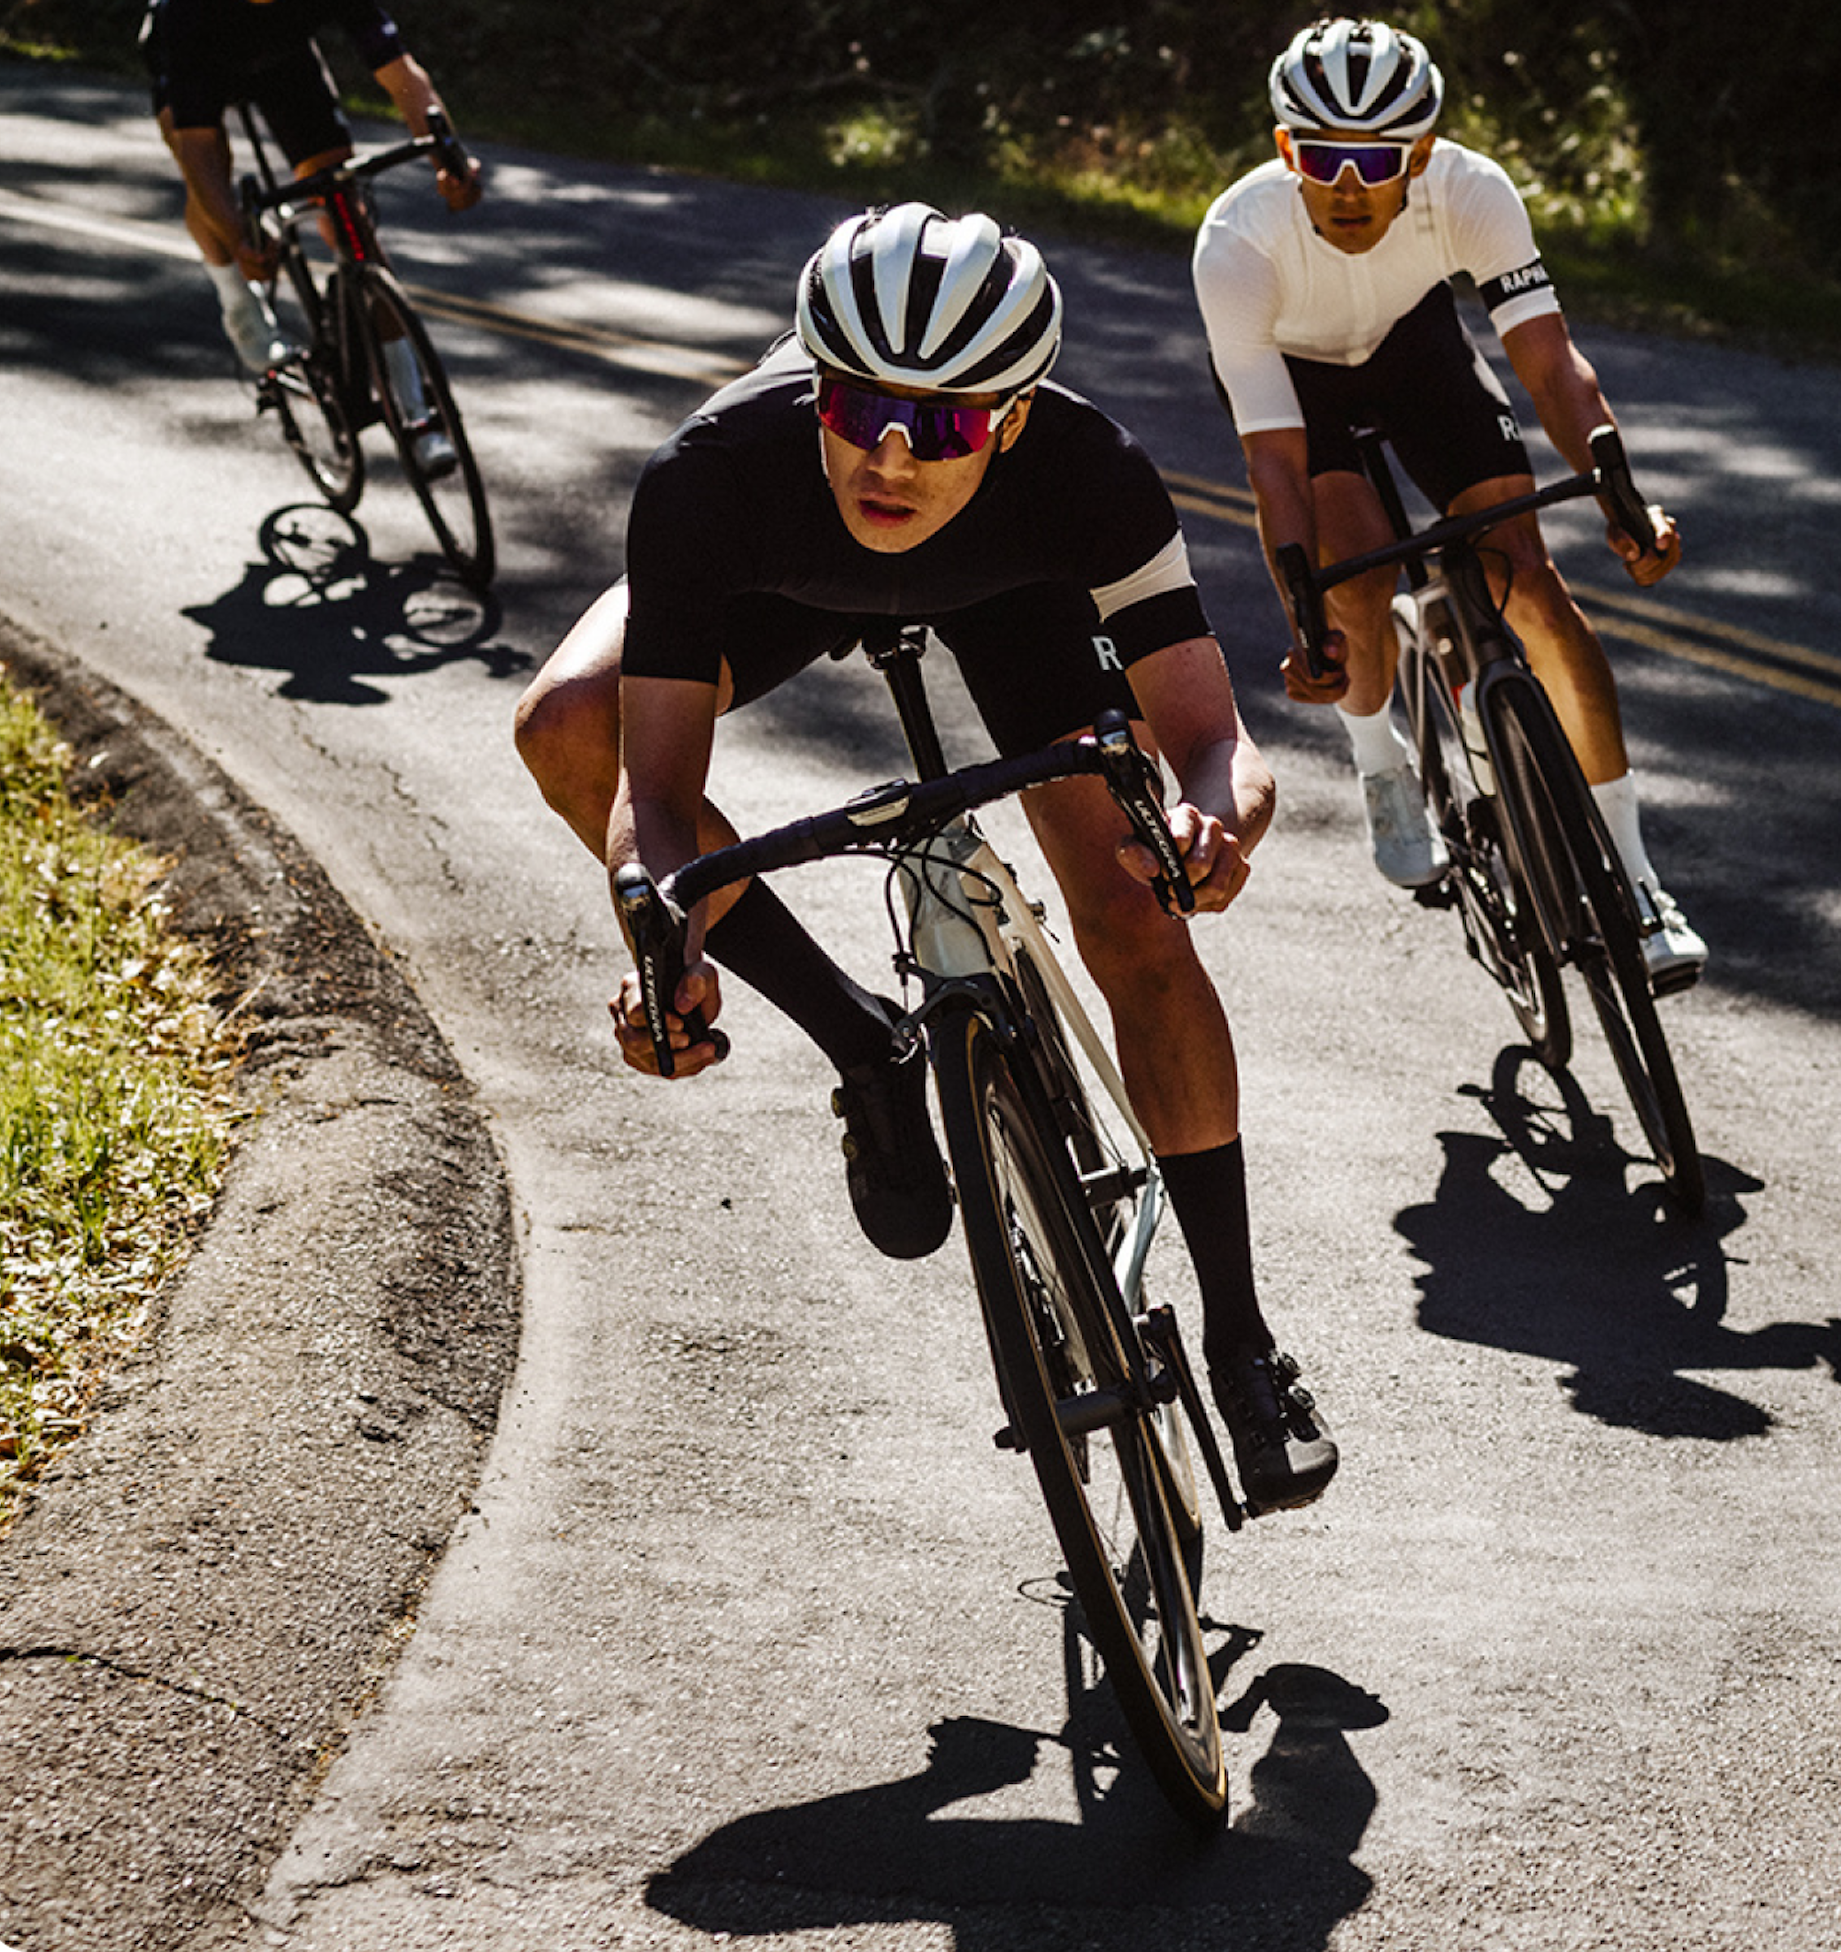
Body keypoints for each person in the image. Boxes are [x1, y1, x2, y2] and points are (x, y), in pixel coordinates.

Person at [509, 203, 1338, 1511]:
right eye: (859, 406)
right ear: (814, 386)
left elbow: (1211, 736)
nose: (892, 454)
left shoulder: (1088, 471)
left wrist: (1209, 821)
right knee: (562, 726)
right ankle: (868, 1045)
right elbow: (653, 792)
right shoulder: (713, 473)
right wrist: (657, 934)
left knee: (1133, 909)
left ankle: (1242, 1339)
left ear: (1008, 419)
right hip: (772, 583)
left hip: (1016, 598)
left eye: (945, 422)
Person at [1193, 15, 1703, 989]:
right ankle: (1381, 760)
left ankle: (1637, 883)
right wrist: (1308, 620)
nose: (1346, 187)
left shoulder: (1471, 191)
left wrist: (1620, 494)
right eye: (1320, 157)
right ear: (1282, 149)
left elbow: (1550, 366)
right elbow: (1277, 468)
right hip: (1301, 390)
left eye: (1376, 159)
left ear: (1421, 155)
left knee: (1529, 583)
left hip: (1412, 347)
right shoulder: (1237, 242)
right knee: (1358, 568)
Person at [141, 0, 482, 456]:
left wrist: (447, 159)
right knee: (213, 179)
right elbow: (195, 149)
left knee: (346, 213)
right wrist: (240, 235)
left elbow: (402, 78)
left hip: (283, 62)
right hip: (197, 64)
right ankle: (241, 312)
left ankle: (416, 407)